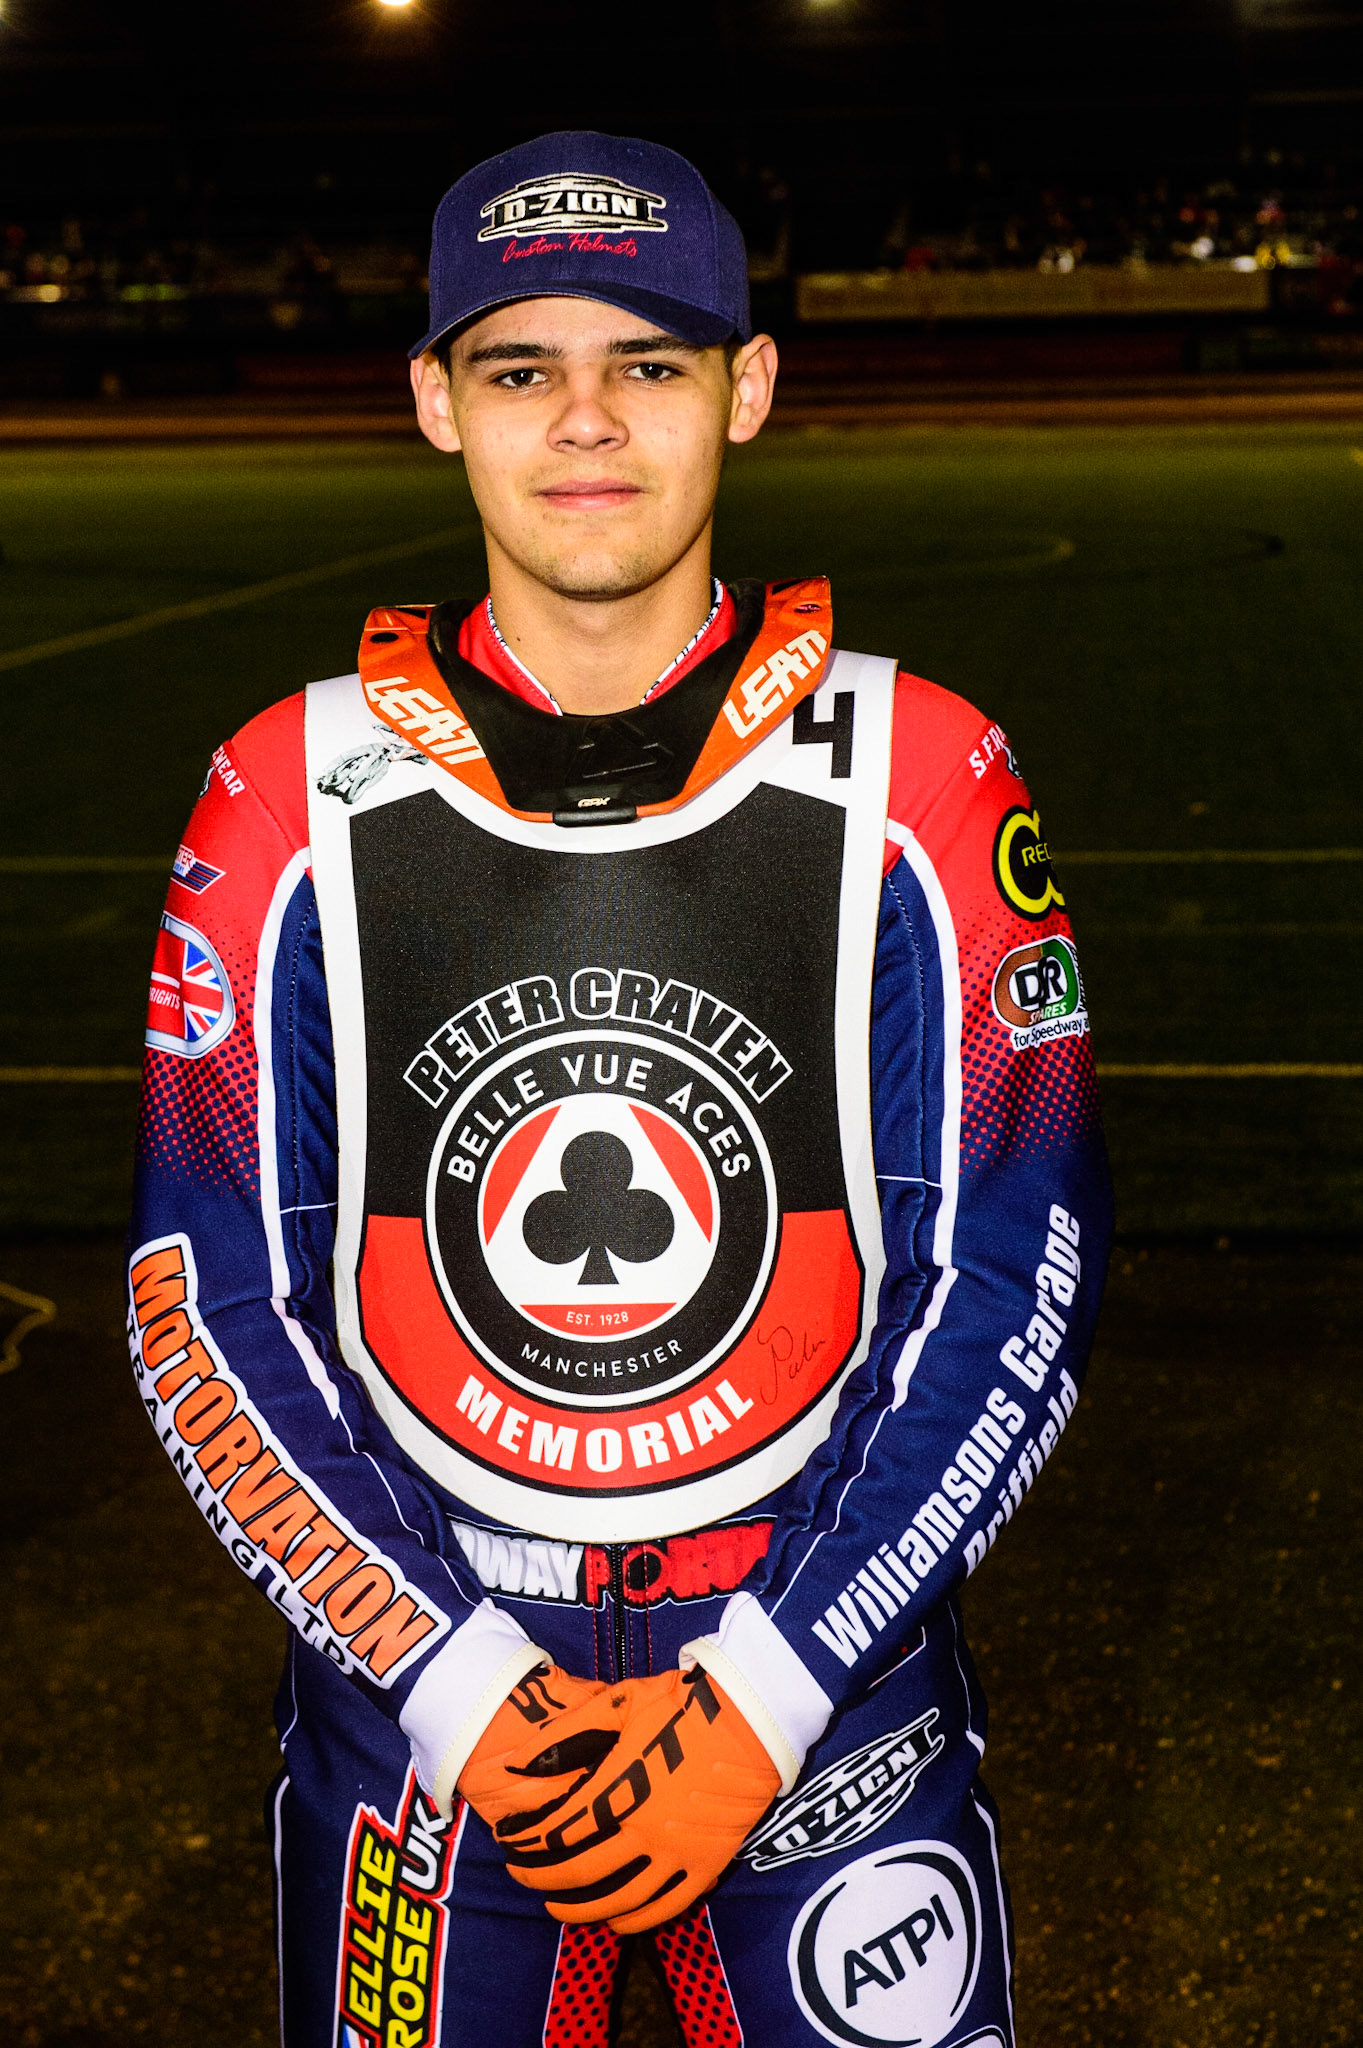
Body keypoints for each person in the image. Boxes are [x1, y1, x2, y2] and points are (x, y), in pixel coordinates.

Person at [129, 130, 1112, 2048]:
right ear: (435, 402)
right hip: (425, 1727)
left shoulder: (926, 772)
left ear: (748, 385)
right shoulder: (282, 793)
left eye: (648, 364)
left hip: (830, 1709)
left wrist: (766, 1688)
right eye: (520, 370)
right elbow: (204, 1304)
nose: (586, 424)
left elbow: (1014, 1272)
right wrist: (457, 1684)